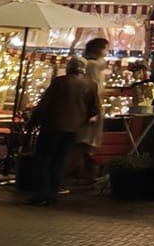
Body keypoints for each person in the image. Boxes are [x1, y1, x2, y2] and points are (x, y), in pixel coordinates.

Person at [27, 59, 100, 207]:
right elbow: (94, 108)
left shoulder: (60, 82)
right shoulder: (91, 85)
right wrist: (81, 120)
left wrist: (33, 122)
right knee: (60, 162)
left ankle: (41, 194)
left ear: (68, 69)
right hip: (73, 129)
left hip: (52, 126)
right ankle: (52, 195)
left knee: (44, 160)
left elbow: (45, 103)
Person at [75, 37, 110, 185]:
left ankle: (84, 172)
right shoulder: (93, 66)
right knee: (86, 141)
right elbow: (95, 88)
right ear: (99, 49)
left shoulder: (89, 64)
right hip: (91, 108)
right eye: (106, 48)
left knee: (85, 141)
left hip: (87, 107)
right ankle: (88, 172)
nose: (107, 52)